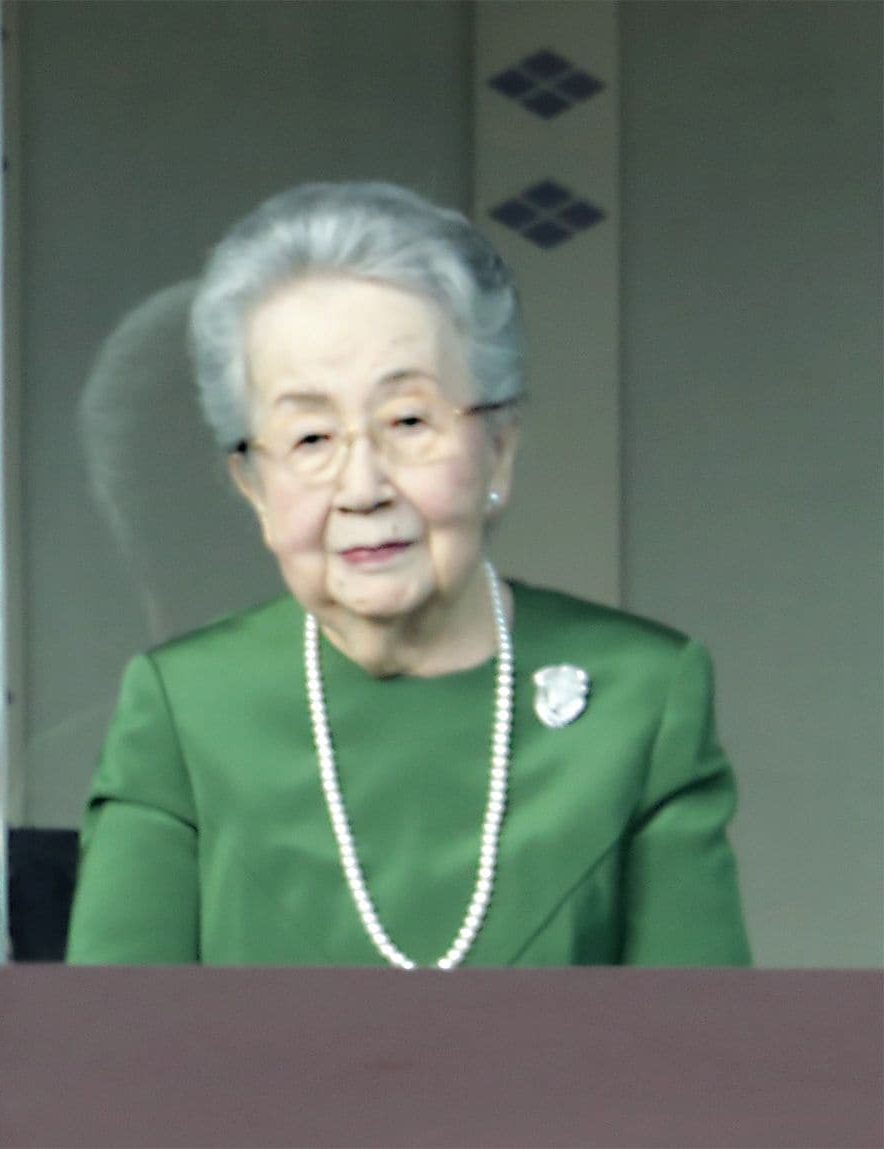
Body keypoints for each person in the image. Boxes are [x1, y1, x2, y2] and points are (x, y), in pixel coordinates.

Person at [66, 182, 751, 968]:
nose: (363, 487)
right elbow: (108, 1037)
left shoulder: (642, 698)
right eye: (311, 437)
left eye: (408, 421)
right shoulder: (185, 709)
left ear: (498, 448)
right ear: (254, 485)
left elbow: (701, 1036)